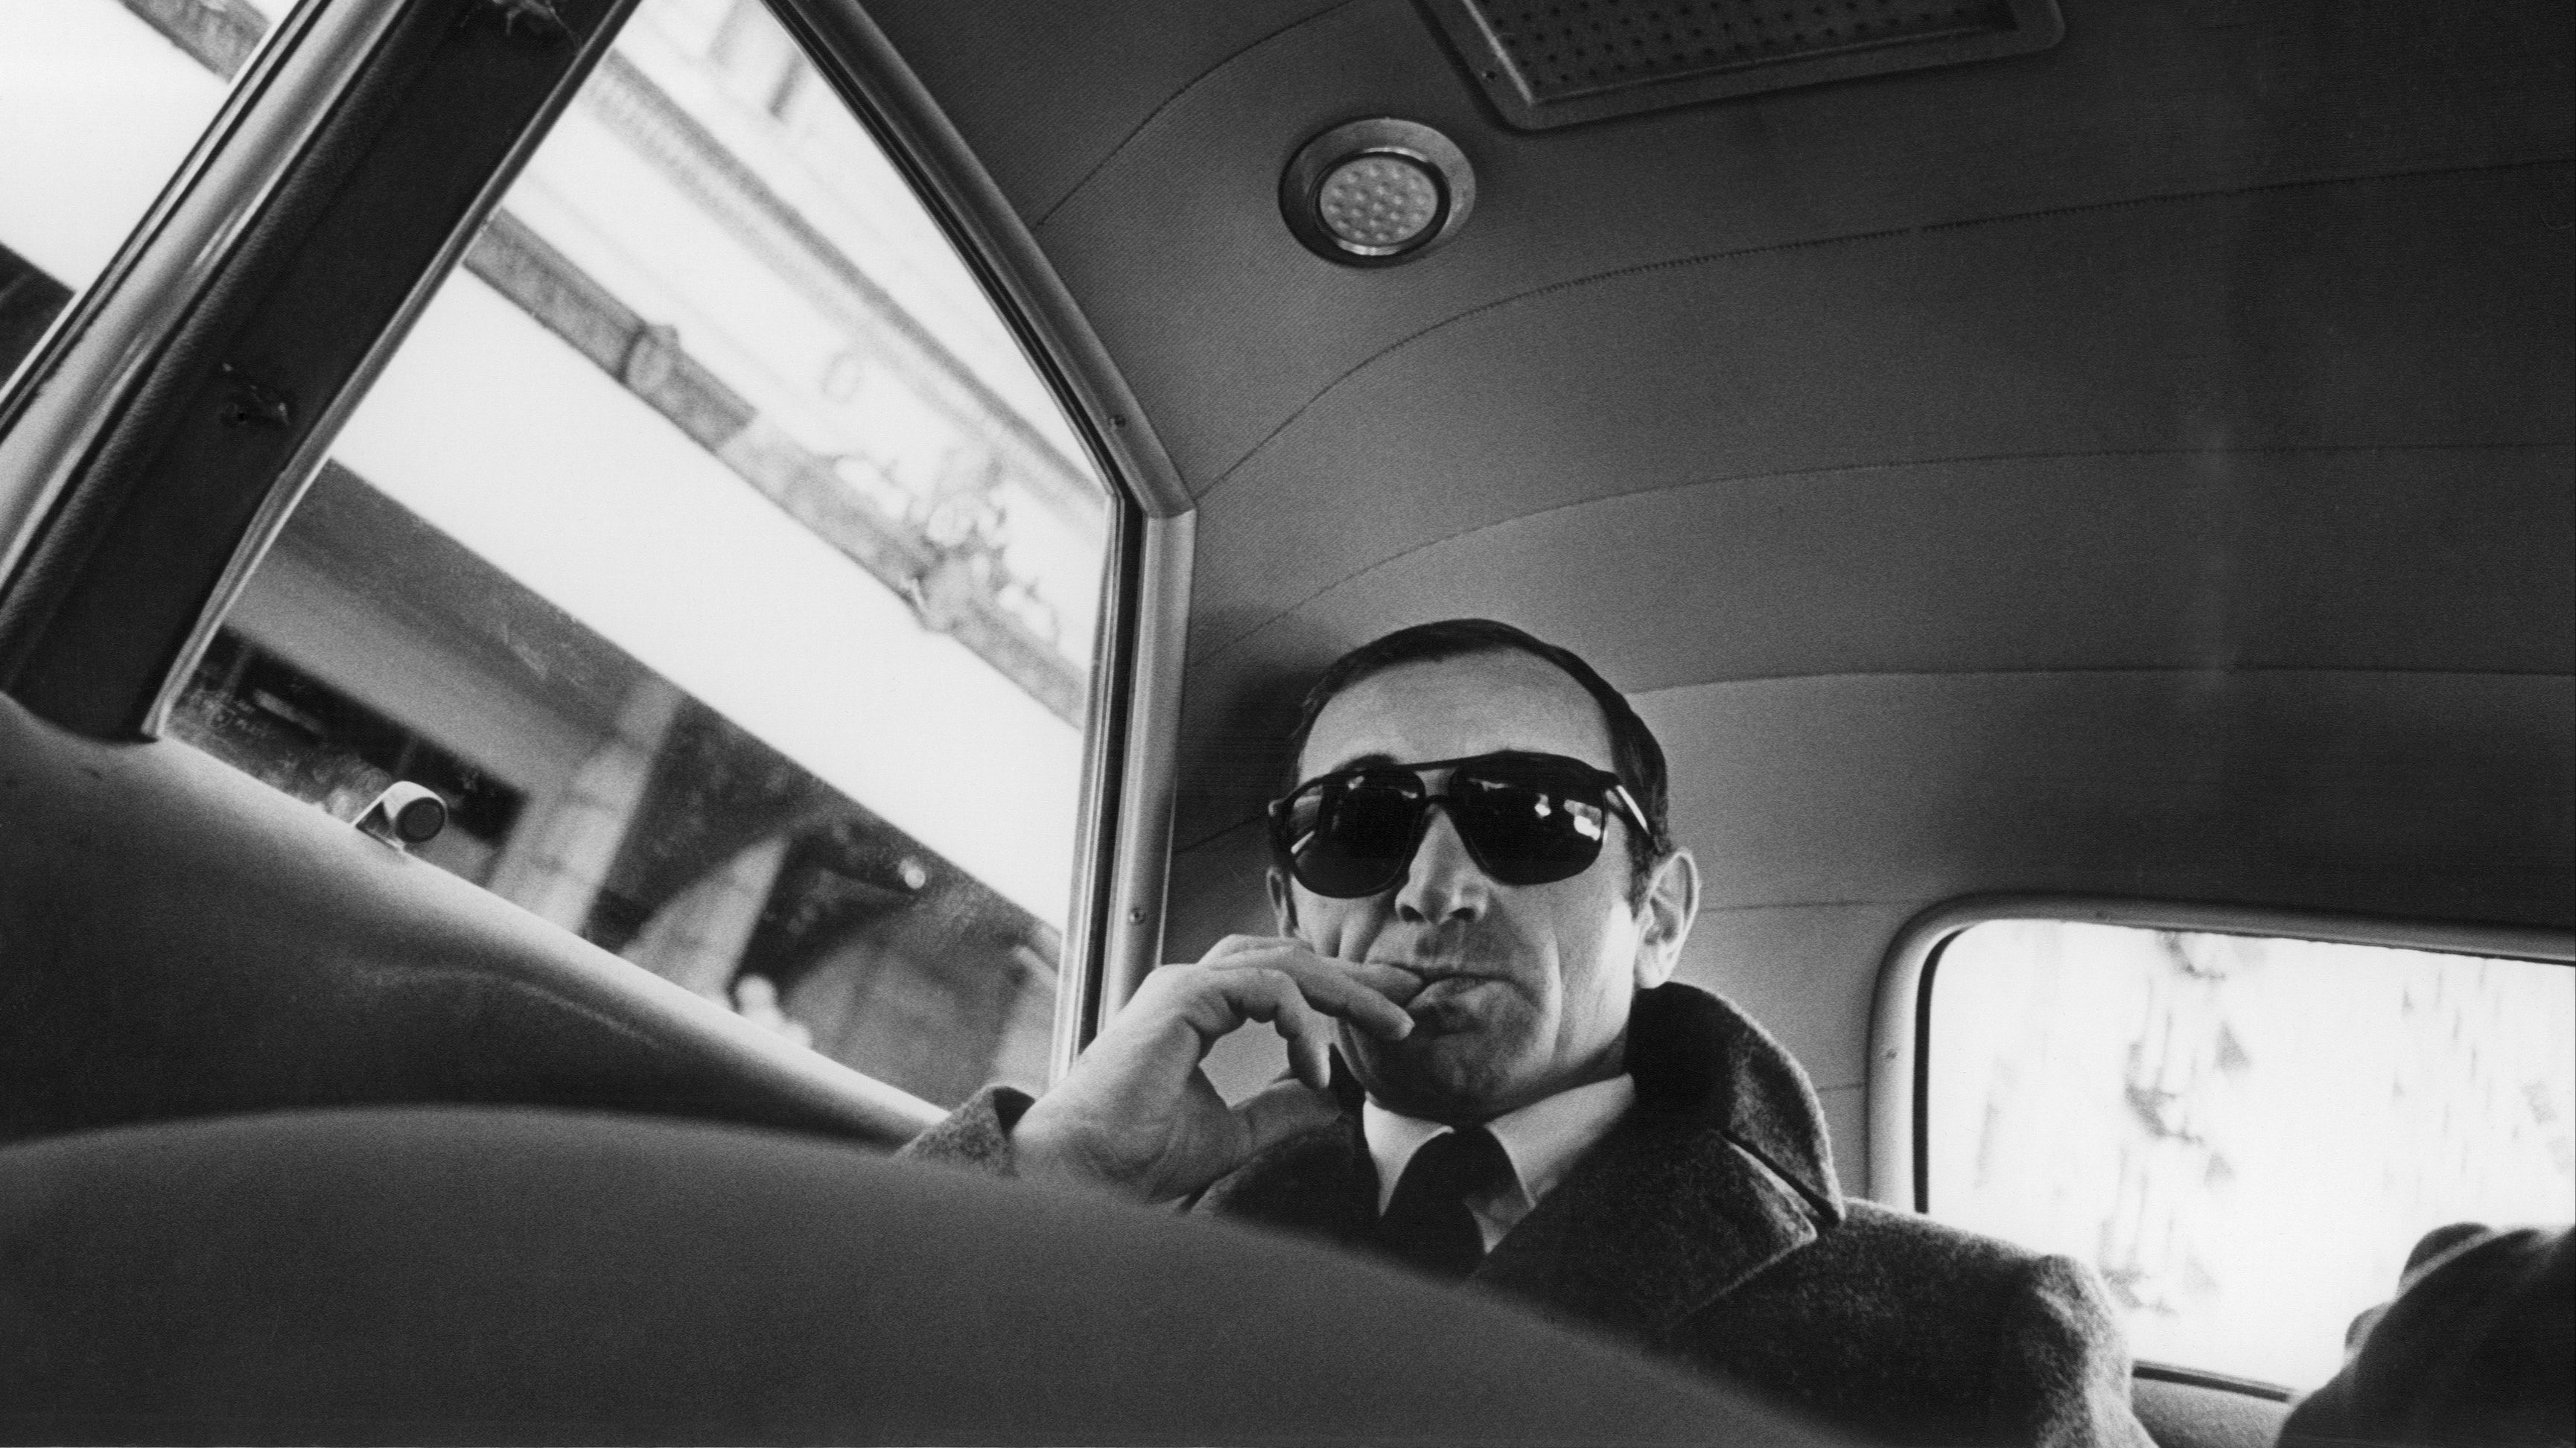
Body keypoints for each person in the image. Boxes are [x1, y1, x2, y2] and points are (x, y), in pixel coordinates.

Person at [910, 619, 2149, 1447]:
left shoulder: (1976, 1336)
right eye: (1359, 823)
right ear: (1290, 911)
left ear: (1657, 916)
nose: (1434, 885)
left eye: (1532, 815)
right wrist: (1051, 1174)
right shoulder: (1114, 1246)